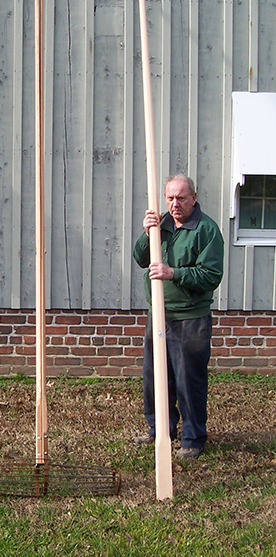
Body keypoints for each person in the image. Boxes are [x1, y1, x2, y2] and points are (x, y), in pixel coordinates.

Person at [133, 174, 224, 459]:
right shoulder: (161, 224)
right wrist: (148, 234)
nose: (175, 204)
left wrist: (174, 273)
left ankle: (193, 437)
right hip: (159, 313)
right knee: (155, 377)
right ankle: (159, 429)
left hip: (190, 318)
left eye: (181, 198)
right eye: (170, 198)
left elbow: (211, 275)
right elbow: (141, 258)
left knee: (188, 379)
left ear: (194, 198)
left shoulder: (206, 230)